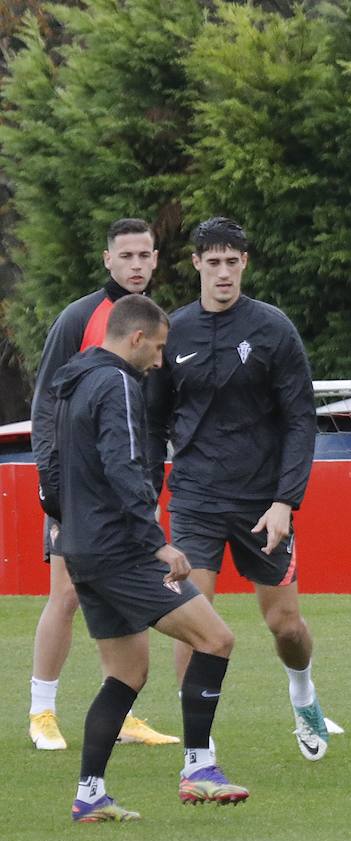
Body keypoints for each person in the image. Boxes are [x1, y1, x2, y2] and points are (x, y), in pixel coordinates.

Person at [39, 294, 248, 823]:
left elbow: (51, 464)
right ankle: (199, 769)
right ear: (135, 338)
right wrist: (156, 541)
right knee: (217, 639)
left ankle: (90, 795)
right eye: (156, 349)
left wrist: (65, 520)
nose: (159, 361)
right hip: (122, 550)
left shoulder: (71, 382)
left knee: (126, 674)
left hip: (80, 549)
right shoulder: (117, 384)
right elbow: (124, 465)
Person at [147, 217, 339, 761]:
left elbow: (302, 419)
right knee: (195, 616)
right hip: (195, 500)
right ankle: (197, 748)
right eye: (214, 263)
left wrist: (285, 502)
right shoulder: (174, 330)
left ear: (245, 264)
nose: (224, 272)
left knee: (285, 624)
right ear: (197, 266)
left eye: (233, 262)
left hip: (262, 504)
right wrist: (145, 492)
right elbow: (155, 420)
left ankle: (303, 693)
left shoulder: (273, 329)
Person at [26, 218, 178, 750]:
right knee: (66, 593)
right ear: (107, 260)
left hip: (127, 489)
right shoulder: (80, 318)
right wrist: (51, 485)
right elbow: (47, 403)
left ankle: (125, 710)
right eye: (126, 255)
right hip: (76, 488)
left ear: (156, 260)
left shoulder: (154, 323)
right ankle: (41, 711)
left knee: (124, 595)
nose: (136, 264)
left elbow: (152, 412)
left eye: (145, 255)